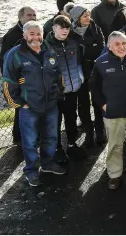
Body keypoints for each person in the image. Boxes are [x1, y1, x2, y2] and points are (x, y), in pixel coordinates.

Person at [3, 20, 67, 187]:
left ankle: (47, 163)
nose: (36, 37)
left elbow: (58, 75)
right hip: (29, 107)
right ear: (24, 36)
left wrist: (57, 94)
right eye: (31, 34)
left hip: (50, 105)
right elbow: (8, 82)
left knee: (51, 137)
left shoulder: (49, 50)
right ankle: (31, 170)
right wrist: (19, 103)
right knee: (30, 141)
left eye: (38, 33)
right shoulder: (15, 55)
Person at [89, 31, 126, 189]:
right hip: (112, 113)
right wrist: (104, 105)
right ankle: (115, 174)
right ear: (109, 46)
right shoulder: (100, 63)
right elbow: (94, 88)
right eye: (117, 44)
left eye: (124, 43)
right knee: (115, 145)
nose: (121, 47)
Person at [44, 15, 87, 160]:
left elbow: (78, 63)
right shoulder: (46, 46)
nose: (64, 30)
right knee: (54, 122)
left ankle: (71, 145)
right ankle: (57, 149)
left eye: (67, 27)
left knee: (71, 119)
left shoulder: (73, 43)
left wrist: (79, 80)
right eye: (61, 27)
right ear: (53, 28)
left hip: (72, 90)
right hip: (55, 93)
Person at [68, 5, 106, 147]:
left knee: (97, 101)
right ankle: (88, 132)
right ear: (77, 18)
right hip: (78, 71)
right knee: (83, 103)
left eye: (88, 15)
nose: (88, 18)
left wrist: (86, 51)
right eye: (84, 16)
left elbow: (100, 47)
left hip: (95, 69)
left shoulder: (95, 28)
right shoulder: (71, 32)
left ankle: (100, 132)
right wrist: (89, 49)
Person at [0, 7, 36, 144]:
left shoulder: (34, 32)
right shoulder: (13, 35)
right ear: (20, 17)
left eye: (34, 15)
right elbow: (5, 60)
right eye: (29, 15)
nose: (32, 17)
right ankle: (19, 141)